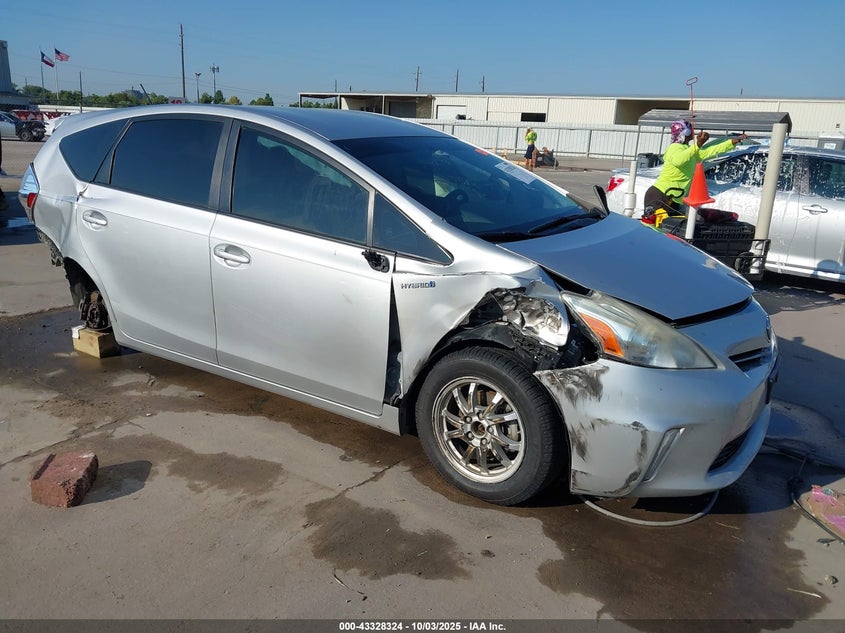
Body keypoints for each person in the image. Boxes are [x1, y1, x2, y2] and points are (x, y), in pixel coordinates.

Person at [643, 119, 747, 224]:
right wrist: (697, 145)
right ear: (685, 133)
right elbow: (678, 160)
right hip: (659, 195)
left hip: (674, 200)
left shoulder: (690, 150)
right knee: (658, 227)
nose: (693, 132)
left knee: (674, 229)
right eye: (690, 130)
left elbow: (710, 151)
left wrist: (731, 142)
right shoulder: (674, 147)